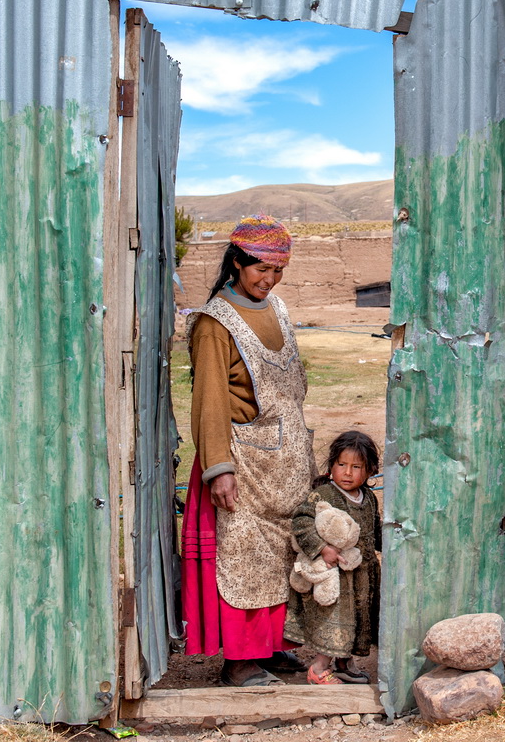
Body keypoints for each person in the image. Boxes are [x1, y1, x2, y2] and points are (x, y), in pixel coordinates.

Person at [181, 215, 317, 687]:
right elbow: (211, 400)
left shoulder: (276, 308)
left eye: (278, 271)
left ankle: (274, 647)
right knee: (244, 560)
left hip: (283, 463)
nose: (270, 280)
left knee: (283, 556)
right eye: (262, 269)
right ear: (237, 262)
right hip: (242, 464)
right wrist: (219, 468)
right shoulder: (213, 323)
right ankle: (239, 661)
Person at [285, 431, 382, 685]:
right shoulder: (325, 496)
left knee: (358, 622)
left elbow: (375, 529)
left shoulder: (368, 498)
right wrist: (320, 548)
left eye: (356, 467)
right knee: (334, 624)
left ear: (370, 471)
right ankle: (318, 668)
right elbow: (301, 521)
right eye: (341, 465)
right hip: (337, 579)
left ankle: (344, 662)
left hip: (362, 577)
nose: (347, 473)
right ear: (331, 466)